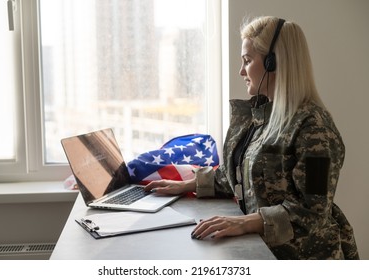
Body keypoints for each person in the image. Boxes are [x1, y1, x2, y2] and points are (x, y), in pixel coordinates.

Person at [144, 16, 359, 260]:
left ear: (272, 63)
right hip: (266, 252)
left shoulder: (315, 128)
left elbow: (312, 212)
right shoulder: (261, 118)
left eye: (247, 61)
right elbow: (238, 175)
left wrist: (244, 223)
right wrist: (187, 184)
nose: (241, 71)